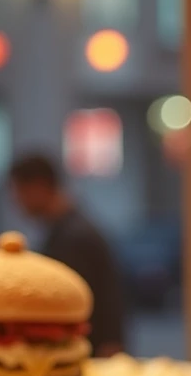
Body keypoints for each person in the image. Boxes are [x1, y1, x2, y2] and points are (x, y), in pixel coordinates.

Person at [9, 153, 126, 357]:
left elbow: (90, 301)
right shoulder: (69, 229)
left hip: (86, 352)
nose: (17, 201)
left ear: (39, 186)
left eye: (20, 192)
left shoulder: (73, 237)